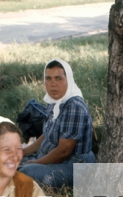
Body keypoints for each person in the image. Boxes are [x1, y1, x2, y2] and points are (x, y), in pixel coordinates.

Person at [19, 59, 95, 187]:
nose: (53, 84)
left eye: (58, 78)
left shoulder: (74, 106)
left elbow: (64, 151)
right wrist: (24, 152)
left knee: (24, 172)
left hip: (74, 165)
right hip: (52, 157)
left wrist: (36, 162)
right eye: (48, 78)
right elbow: (46, 134)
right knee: (10, 161)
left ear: (68, 80)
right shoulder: (55, 101)